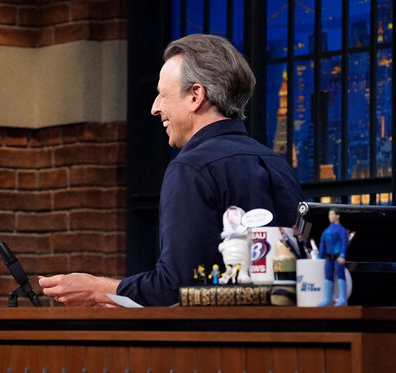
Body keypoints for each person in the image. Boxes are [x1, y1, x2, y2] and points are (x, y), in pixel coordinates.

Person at [39, 34, 304, 306]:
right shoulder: (278, 164)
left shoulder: (191, 167)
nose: (155, 108)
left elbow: (176, 288)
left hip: (217, 345)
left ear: (196, 96)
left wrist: (96, 288)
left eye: (163, 94)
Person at [317, 208, 349, 306]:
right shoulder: (326, 231)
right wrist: (319, 258)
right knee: (328, 276)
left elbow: (344, 243)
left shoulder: (341, 230)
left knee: (340, 275)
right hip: (328, 258)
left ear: (337, 216)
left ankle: (343, 298)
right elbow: (322, 245)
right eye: (329, 215)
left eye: (332, 214)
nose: (330, 217)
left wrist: (343, 255)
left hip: (338, 257)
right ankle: (327, 299)